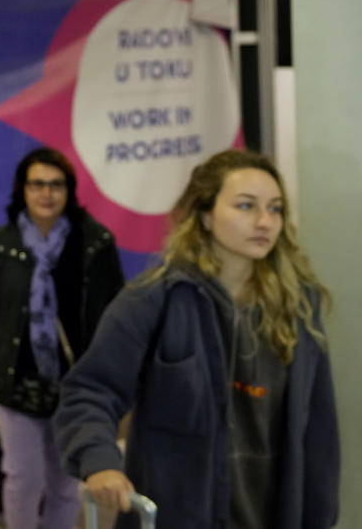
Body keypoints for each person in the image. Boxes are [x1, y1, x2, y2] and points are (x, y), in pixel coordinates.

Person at [54, 149, 340, 529]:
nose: (264, 221)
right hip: (183, 516)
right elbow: (90, 391)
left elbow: (318, 427)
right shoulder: (154, 298)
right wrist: (100, 461)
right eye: (245, 206)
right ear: (205, 215)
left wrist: (320, 516)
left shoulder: (298, 305)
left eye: (275, 209)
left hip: (274, 512)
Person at [0, 147, 125, 529]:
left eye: (56, 185)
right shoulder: (3, 242)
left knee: (66, 482)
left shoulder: (94, 242)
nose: (46, 194)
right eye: (37, 185)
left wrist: (115, 382)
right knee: (23, 478)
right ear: (23, 189)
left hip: (74, 386)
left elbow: (114, 316)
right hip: (15, 381)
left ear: (69, 190)